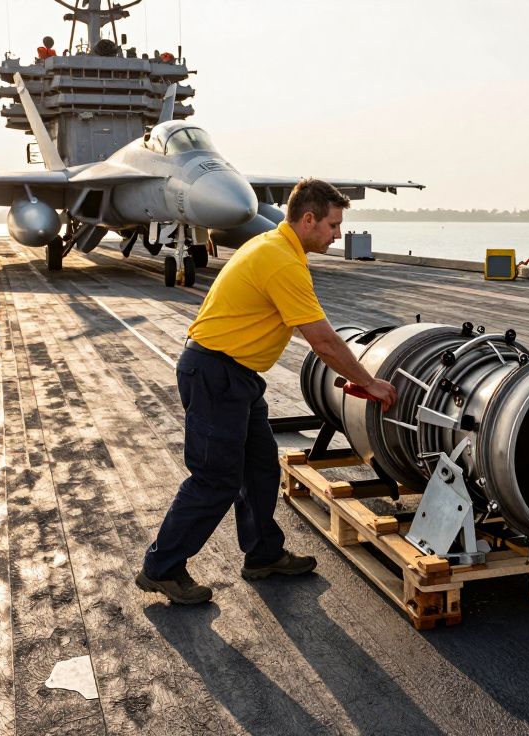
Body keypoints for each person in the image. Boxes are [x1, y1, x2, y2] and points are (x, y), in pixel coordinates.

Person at [137, 178, 398, 605]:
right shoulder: (281, 262)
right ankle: (161, 568)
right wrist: (369, 381)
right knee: (215, 478)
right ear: (308, 219)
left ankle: (263, 554)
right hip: (217, 375)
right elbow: (324, 341)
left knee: (260, 468)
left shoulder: (274, 247)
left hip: (237, 377)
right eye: (333, 225)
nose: (337, 235)